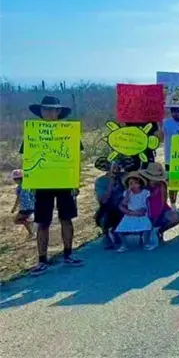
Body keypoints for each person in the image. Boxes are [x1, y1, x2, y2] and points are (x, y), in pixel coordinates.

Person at [22, 96, 83, 273]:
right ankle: (42, 259)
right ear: (40, 112)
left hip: (65, 182)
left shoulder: (69, 132)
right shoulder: (33, 132)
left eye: (53, 109)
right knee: (42, 222)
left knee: (66, 218)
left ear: (58, 112)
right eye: (46, 109)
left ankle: (68, 254)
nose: (49, 112)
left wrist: (75, 182)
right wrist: (30, 183)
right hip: (42, 183)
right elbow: (26, 159)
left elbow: (75, 159)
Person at [140, 162, 179, 247]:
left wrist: (157, 215)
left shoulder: (162, 184)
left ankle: (159, 231)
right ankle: (145, 235)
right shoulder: (142, 184)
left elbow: (163, 201)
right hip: (145, 212)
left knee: (176, 216)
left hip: (160, 211)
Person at [115, 172, 153, 252]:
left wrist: (141, 211)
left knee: (147, 227)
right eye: (130, 183)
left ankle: (146, 243)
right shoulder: (127, 193)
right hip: (130, 214)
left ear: (139, 184)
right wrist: (128, 194)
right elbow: (124, 204)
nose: (133, 185)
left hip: (141, 213)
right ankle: (124, 245)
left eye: (135, 183)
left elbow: (147, 205)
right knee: (119, 230)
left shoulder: (145, 193)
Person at [93, 157, 125, 249]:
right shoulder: (101, 181)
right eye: (113, 166)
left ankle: (117, 231)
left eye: (117, 166)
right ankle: (106, 234)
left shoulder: (125, 176)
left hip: (124, 207)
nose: (116, 169)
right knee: (104, 216)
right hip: (109, 208)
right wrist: (111, 183)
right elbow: (103, 201)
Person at [162, 106, 179, 206]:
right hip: (170, 159)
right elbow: (159, 138)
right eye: (175, 112)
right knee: (172, 184)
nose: (178, 114)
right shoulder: (165, 123)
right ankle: (173, 205)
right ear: (171, 112)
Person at [9, 169, 35, 238]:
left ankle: (31, 233)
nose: (15, 181)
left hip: (25, 208)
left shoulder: (20, 187)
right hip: (31, 207)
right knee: (22, 220)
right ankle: (31, 229)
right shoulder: (29, 185)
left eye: (16, 179)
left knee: (17, 220)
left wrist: (14, 208)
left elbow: (18, 198)